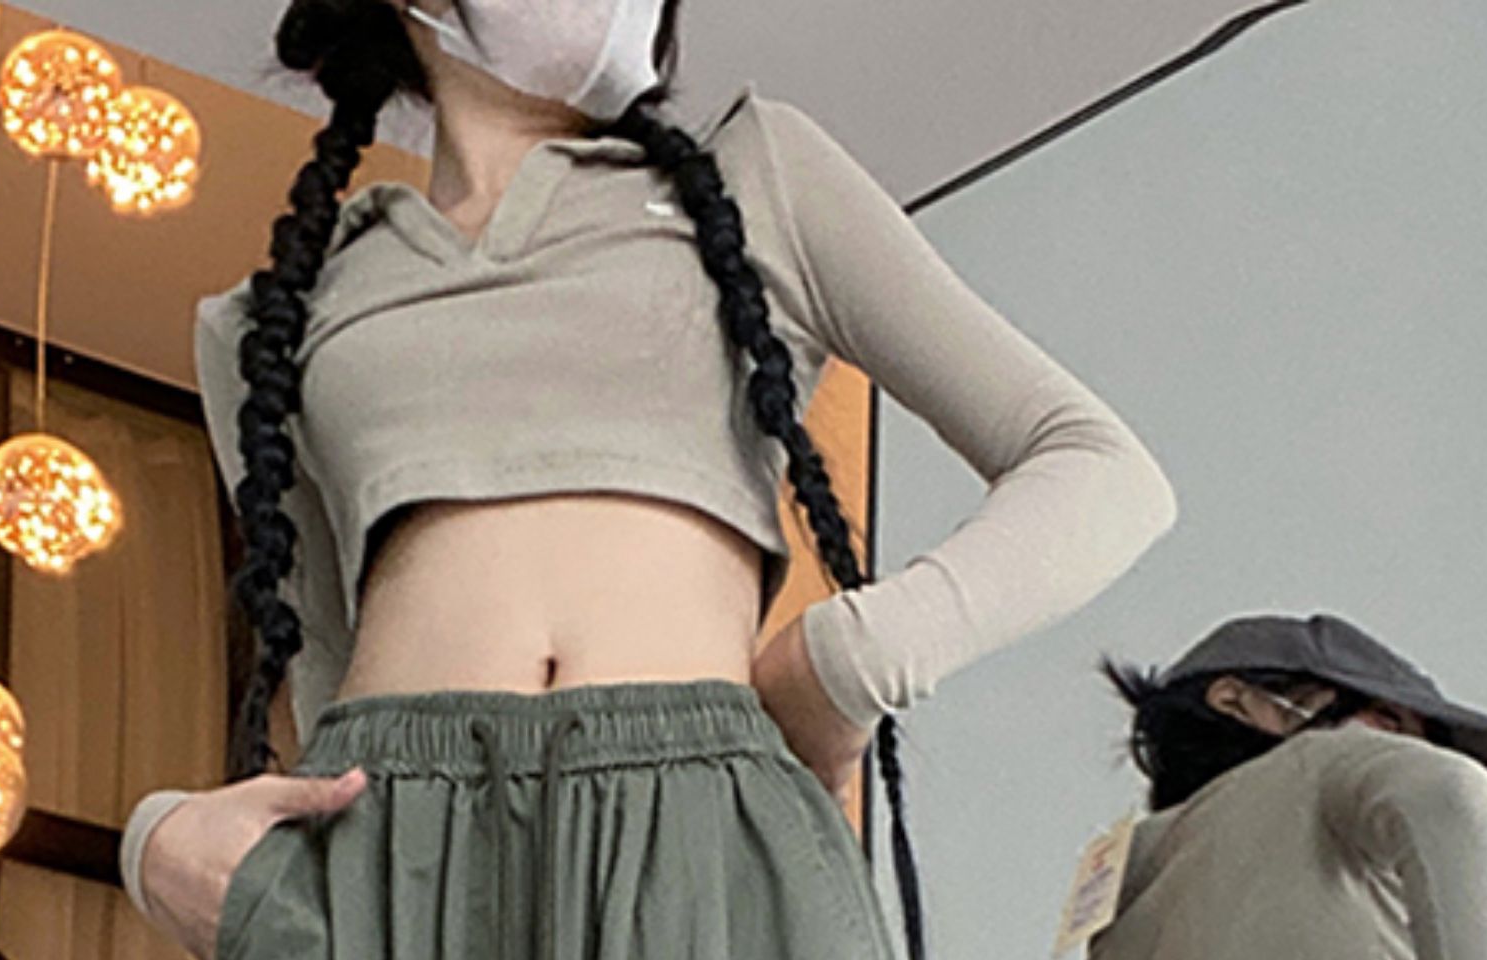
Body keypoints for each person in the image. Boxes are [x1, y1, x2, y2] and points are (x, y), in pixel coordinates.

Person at [121, 2, 1177, 957]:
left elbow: (1098, 469)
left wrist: (855, 656)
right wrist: (156, 845)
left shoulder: (759, 179)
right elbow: (321, 680)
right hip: (396, 852)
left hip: (697, 835)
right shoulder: (277, 319)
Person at [1091, 613, 1487, 960]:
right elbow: (1456, 796)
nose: (1405, 750)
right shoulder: (1323, 759)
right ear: (1236, 700)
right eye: (1388, 721)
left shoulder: (1126, 873)